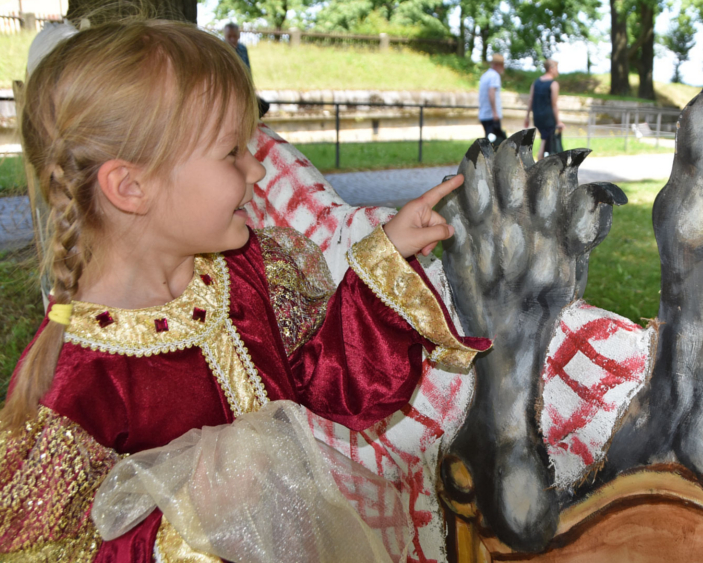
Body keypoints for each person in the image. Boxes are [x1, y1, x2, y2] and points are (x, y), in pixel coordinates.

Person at [1, 19, 490, 561]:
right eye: (232, 152)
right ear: (131, 187)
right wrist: (184, 531)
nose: (258, 169)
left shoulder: (246, 270)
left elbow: (330, 384)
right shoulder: (75, 381)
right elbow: (48, 549)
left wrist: (385, 259)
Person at [224, 22, 269, 118]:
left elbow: (248, 70)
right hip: (227, 91)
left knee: (263, 106)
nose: (232, 39)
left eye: (234, 36)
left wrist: (251, 89)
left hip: (243, 90)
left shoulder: (242, 49)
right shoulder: (220, 49)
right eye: (229, 36)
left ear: (238, 36)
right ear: (225, 36)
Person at [524, 59, 565, 157]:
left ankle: (540, 160)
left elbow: (530, 99)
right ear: (551, 68)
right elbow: (554, 104)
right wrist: (558, 121)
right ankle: (540, 163)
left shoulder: (536, 82)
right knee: (546, 141)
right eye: (556, 68)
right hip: (548, 118)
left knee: (544, 139)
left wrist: (527, 117)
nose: (557, 71)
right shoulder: (553, 84)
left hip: (537, 117)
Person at [479, 53, 506, 143]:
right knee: (497, 143)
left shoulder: (485, 75)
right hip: (491, 116)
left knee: (490, 141)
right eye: (502, 65)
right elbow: (491, 93)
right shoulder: (495, 76)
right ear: (498, 65)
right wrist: (495, 112)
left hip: (484, 114)